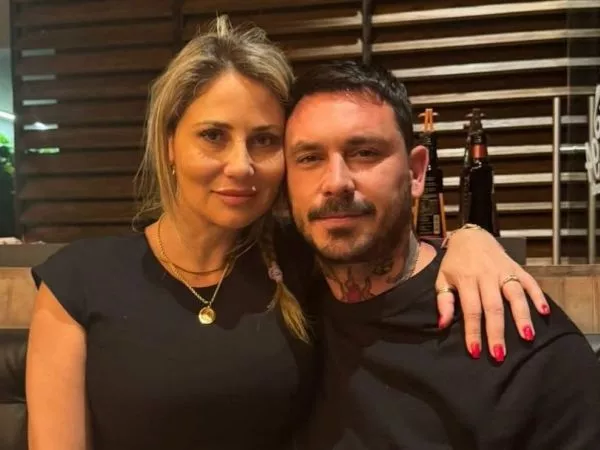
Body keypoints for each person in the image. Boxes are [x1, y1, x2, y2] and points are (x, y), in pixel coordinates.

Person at [26, 18, 548, 450]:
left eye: (264, 140)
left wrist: (470, 238)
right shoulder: (80, 283)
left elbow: (392, 251)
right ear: (169, 145)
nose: (241, 166)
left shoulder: (301, 259)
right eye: (213, 136)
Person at [284, 60, 600, 449]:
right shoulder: (278, 307)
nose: (336, 182)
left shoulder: (530, 351)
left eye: (364, 152)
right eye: (309, 158)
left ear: (417, 173)